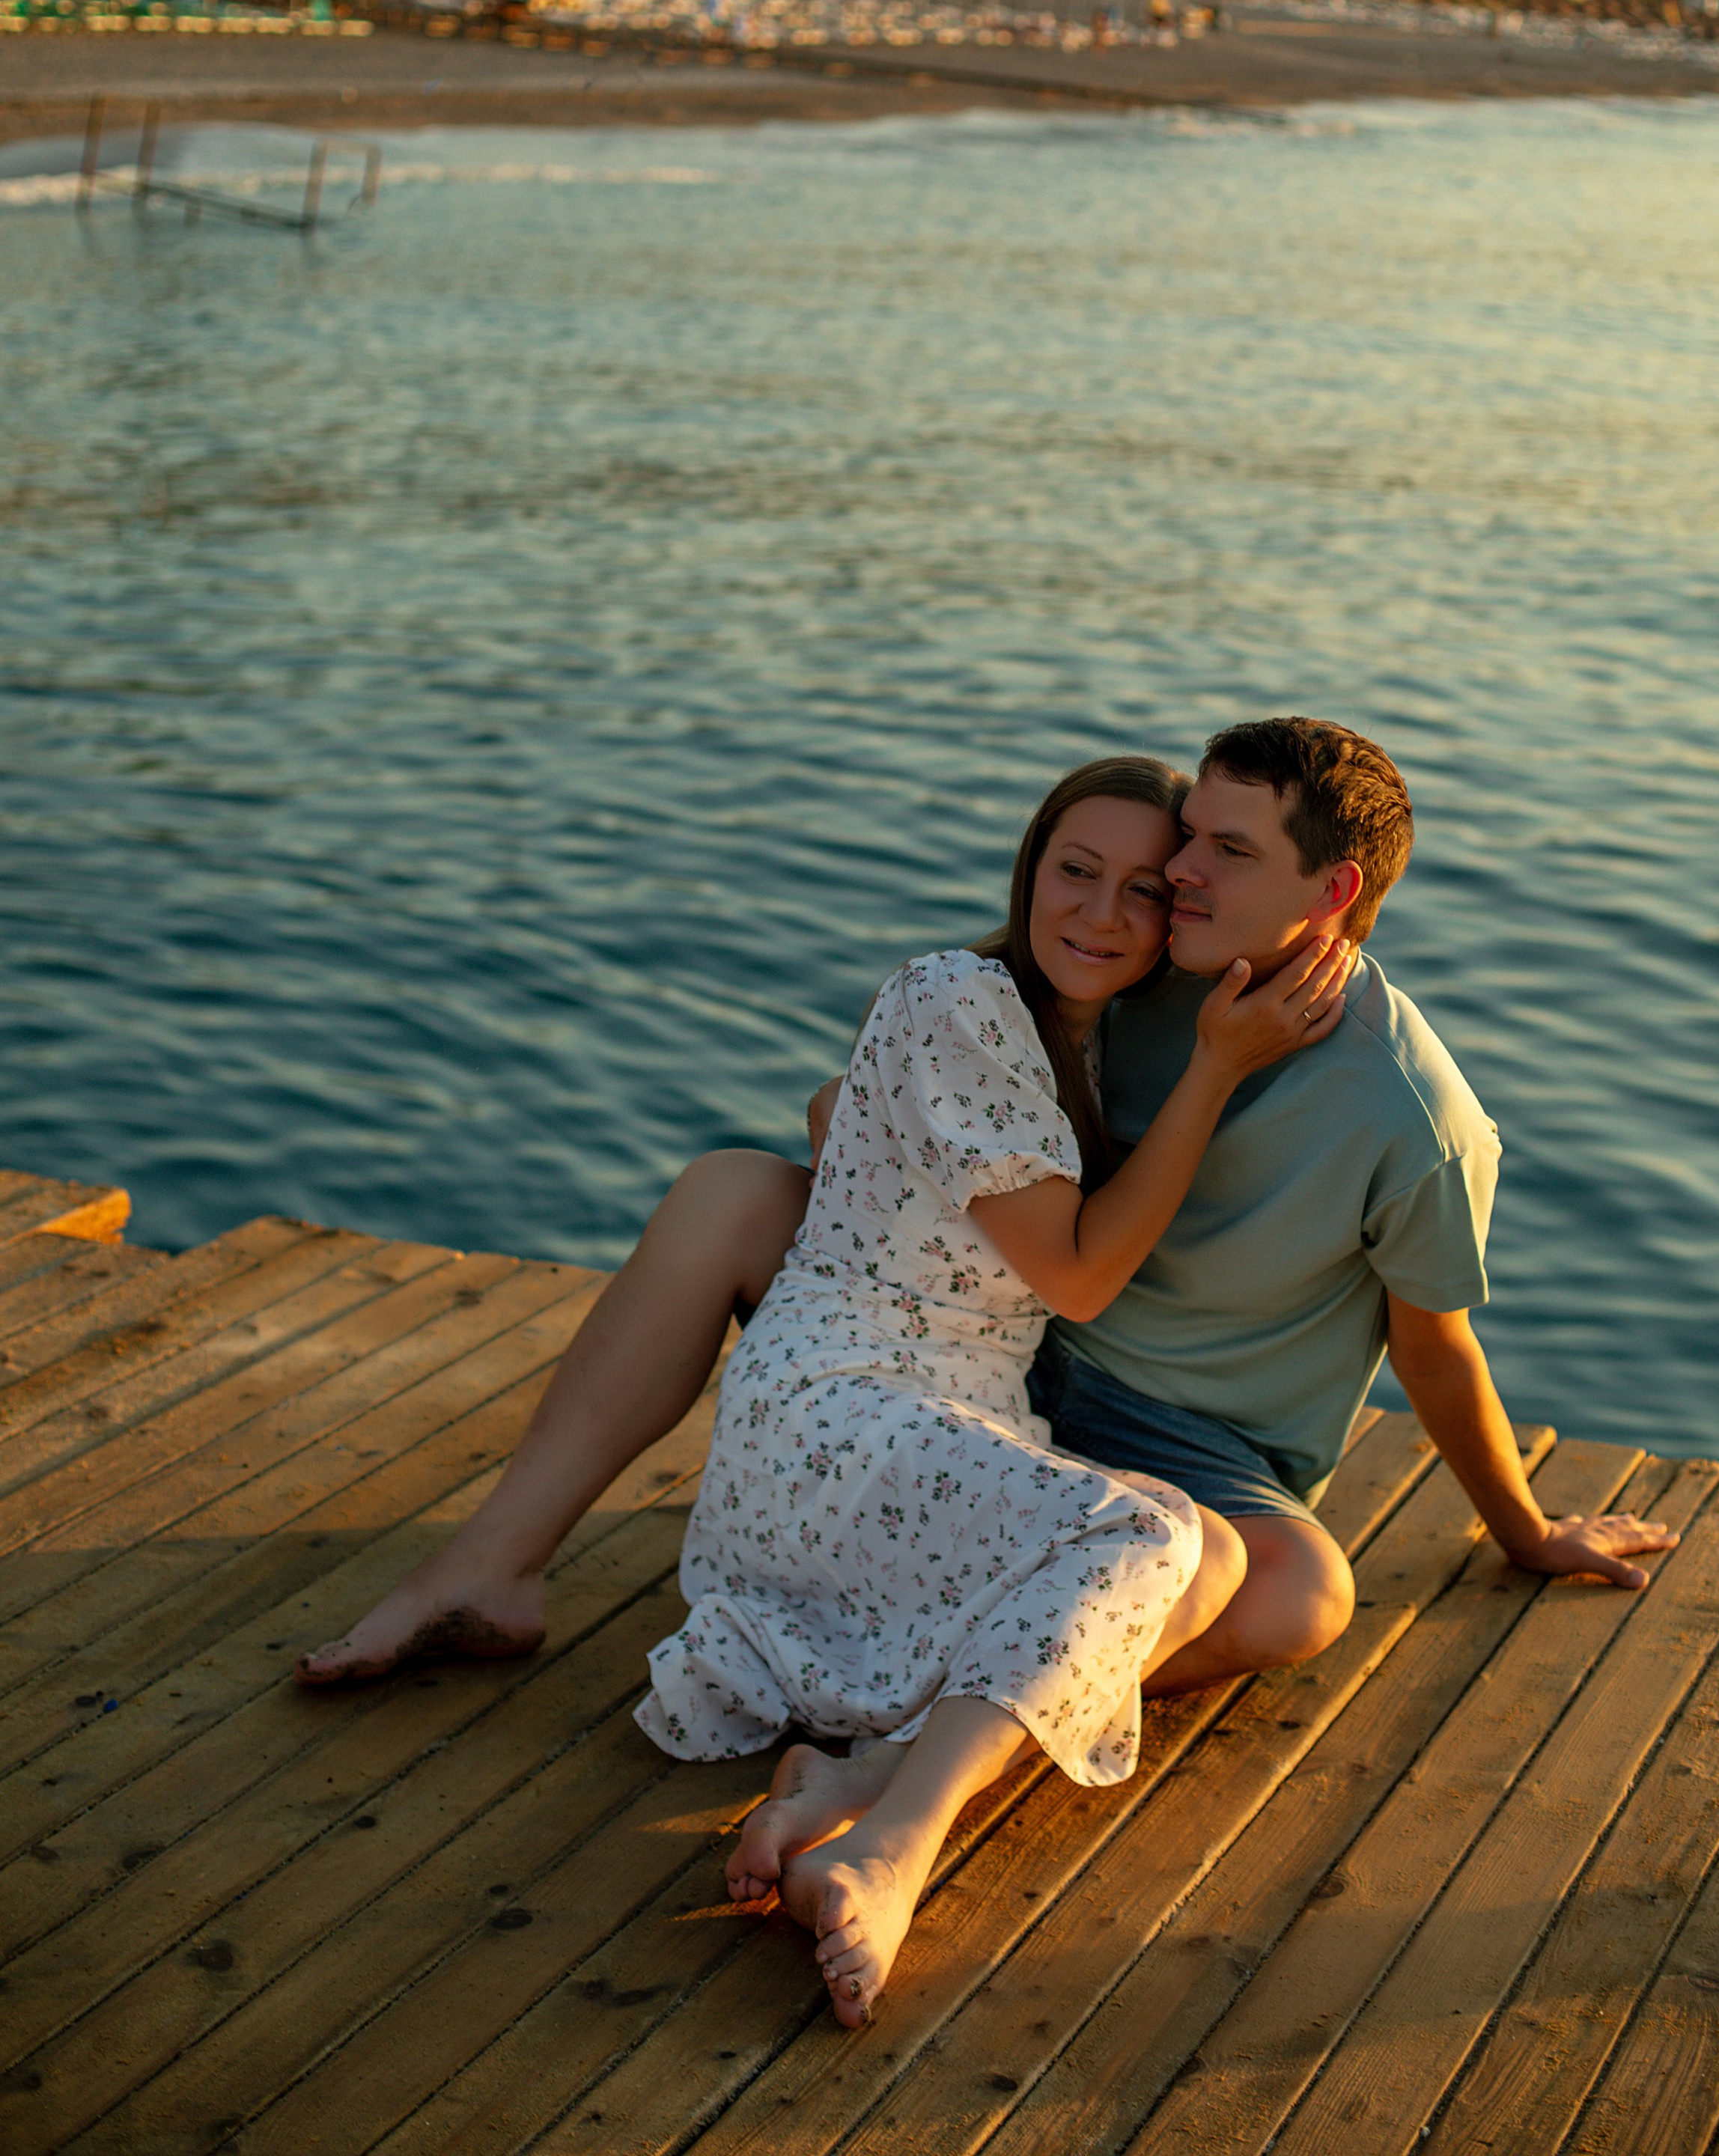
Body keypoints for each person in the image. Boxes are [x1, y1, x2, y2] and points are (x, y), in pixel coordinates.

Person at [300, 755, 1351, 2026]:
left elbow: (842, 1120)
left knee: (1217, 1567)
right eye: (1076, 873)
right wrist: (1218, 1070)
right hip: (840, 1417)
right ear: (1030, 867)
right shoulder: (958, 991)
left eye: (1144, 890)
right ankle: (892, 1838)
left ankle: (852, 1774)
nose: (1105, 914)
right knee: (1151, 1533)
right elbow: (1075, 1278)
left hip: (926, 1430)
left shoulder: (1068, 1032)